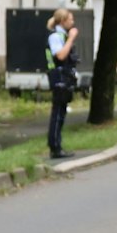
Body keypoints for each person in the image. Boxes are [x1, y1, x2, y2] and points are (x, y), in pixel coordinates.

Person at [44, 9, 80, 160]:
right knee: (57, 113)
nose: (73, 22)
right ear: (62, 21)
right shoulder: (55, 37)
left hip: (64, 77)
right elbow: (60, 55)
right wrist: (71, 39)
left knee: (62, 112)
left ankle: (58, 145)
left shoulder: (62, 36)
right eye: (70, 20)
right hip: (58, 77)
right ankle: (54, 147)